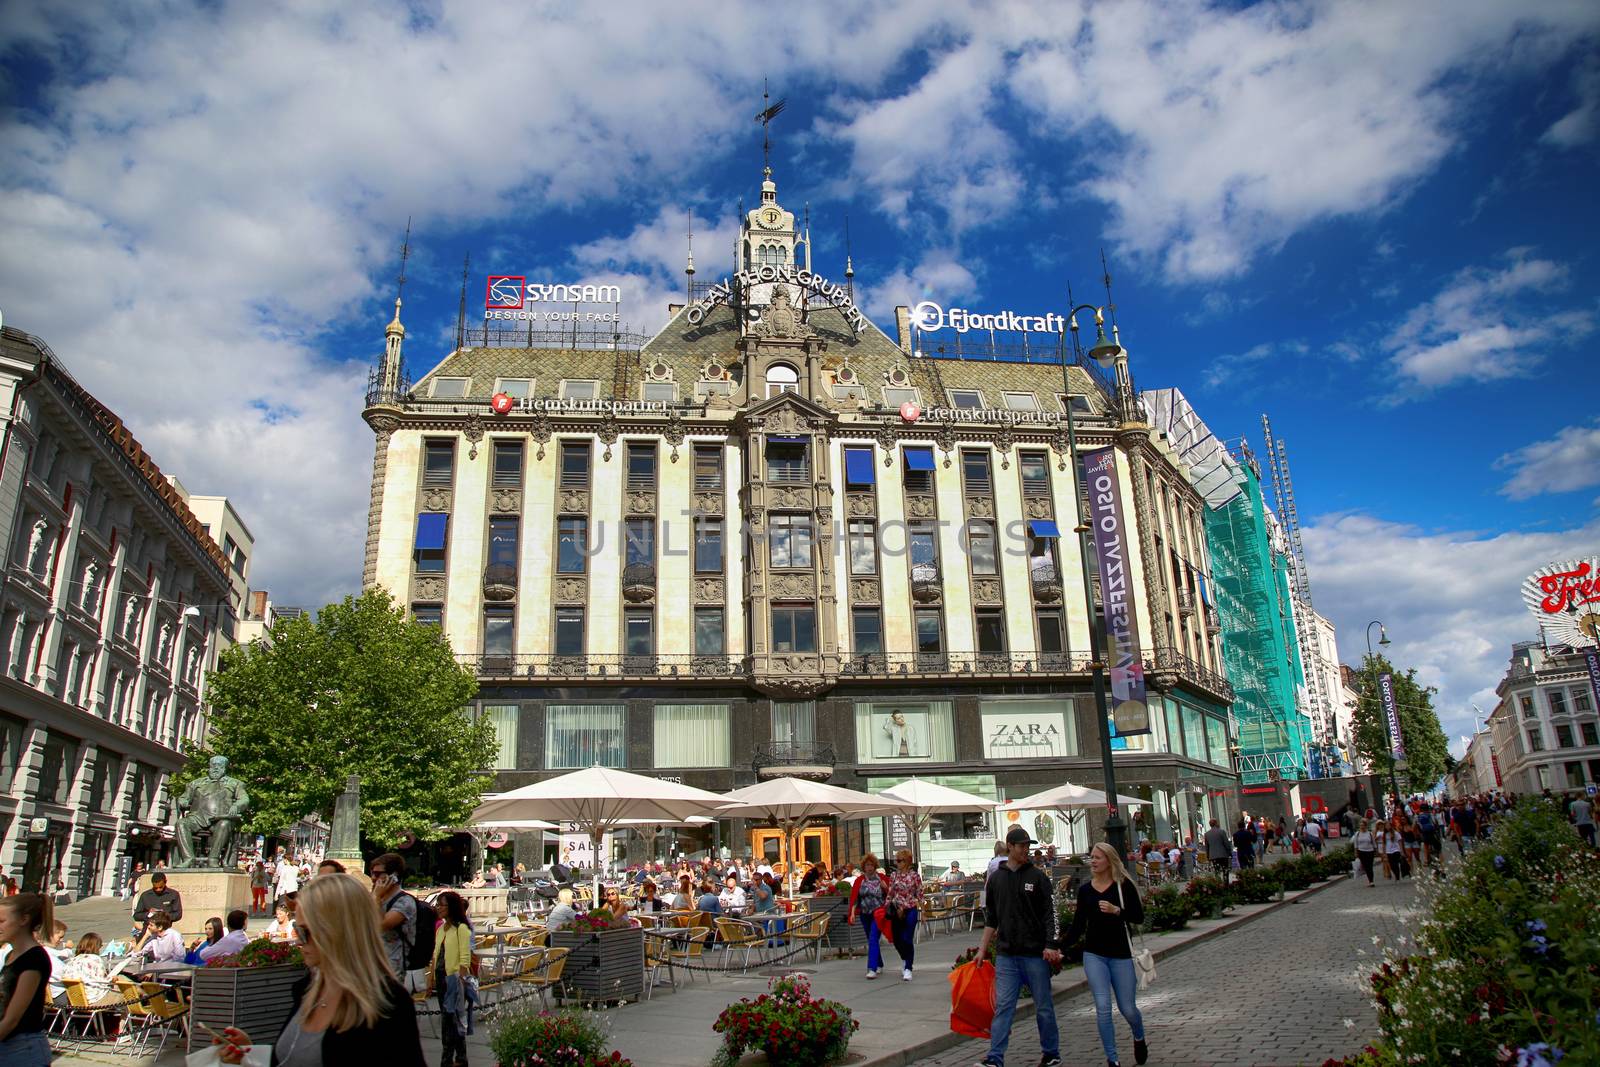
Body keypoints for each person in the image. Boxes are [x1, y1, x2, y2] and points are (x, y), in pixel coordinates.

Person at [214, 874, 426, 1066]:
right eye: (297, 930)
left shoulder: (387, 1002)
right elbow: (293, 1058)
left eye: (305, 932)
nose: (299, 941)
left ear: (337, 931)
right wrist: (251, 1053)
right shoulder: (307, 988)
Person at [975, 826, 1062, 1067]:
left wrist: (1051, 944)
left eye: (1028, 846)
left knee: (1043, 1006)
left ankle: (1051, 1053)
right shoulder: (996, 879)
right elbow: (992, 917)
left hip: (1034, 953)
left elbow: (1050, 914)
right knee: (1004, 1006)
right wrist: (983, 949)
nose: (1026, 850)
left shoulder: (1038, 877)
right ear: (1010, 847)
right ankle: (995, 1057)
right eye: (1022, 846)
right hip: (1006, 954)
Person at [1060, 842, 1148, 1067]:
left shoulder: (1123, 885)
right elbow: (1078, 926)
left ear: (1109, 860)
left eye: (1098, 857)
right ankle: (1113, 1059)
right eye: (1092, 857)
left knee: (1128, 1008)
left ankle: (1138, 1035)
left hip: (1120, 954)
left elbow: (1138, 917)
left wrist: (1116, 910)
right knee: (1102, 1007)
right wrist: (1059, 947)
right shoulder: (1086, 890)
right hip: (1094, 954)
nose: (1093, 861)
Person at [0, 894, 54, 1065]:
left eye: (2, 921)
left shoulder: (34, 959)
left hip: (23, 1049)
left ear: (23, 920)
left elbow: (13, 1018)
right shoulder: (11, 954)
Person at [427, 891, 474, 1067]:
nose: (438, 908)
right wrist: (430, 979)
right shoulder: (441, 929)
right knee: (448, 1020)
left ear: (451, 907)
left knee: (453, 1020)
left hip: (454, 979)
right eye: (437, 904)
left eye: (442, 905)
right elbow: (436, 954)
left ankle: (451, 1058)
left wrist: (461, 979)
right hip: (441, 978)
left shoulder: (461, 928)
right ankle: (458, 1057)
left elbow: (464, 957)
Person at [369, 853, 420, 990]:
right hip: (371, 965)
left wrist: (376, 897)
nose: (374, 878)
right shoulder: (376, 899)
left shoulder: (405, 902)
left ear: (394, 876)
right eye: (372, 873)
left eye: (379, 874)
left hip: (392, 968)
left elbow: (380, 926)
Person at [845, 854, 891, 980]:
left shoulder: (881, 878)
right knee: (872, 939)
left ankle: (872, 968)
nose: (869, 868)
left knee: (872, 938)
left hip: (878, 913)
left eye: (871, 865)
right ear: (863, 867)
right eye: (867, 865)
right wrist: (853, 913)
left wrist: (885, 888)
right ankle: (879, 963)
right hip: (865, 914)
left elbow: (891, 894)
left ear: (875, 866)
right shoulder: (860, 880)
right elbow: (855, 898)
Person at [886, 848, 922, 982]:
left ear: (907, 862)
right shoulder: (894, 876)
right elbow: (890, 893)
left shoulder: (914, 876)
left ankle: (908, 967)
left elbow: (919, 894)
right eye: (897, 860)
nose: (897, 863)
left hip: (910, 908)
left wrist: (923, 912)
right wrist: (887, 906)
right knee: (896, 939)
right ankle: (904, 957)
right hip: (896, 909)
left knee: (907, 938)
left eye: (900, 861)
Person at [59, 932, 110, 1002]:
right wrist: (111, 978)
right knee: (121, 990)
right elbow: (102, 981)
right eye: (100, 946)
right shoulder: (95, 959)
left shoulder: (72, 960)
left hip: (76, 999)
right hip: (94, 999)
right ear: (96, 946)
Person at [131, 871, 183, 938]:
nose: (158, 890)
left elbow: (178, 914)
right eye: (155, 888)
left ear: (165, 882)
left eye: (160, 887)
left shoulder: (173, 894)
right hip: (148, 932)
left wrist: (163, 915)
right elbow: (136, 916)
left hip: (165, 932)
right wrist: (148, 914)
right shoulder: (145, 895)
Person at [1352, 820, 1378, 888]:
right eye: (1360, 825)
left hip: (1370, 851)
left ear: (1366, 826)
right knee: (1366, 867)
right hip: (1361, 851)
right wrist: (1356, 852)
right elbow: (1355, 844)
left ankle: (1371, 881)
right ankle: (1370, 880)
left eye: (1363, 825)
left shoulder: (1369, 833)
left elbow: (1373, 842)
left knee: (1370, 866)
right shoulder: (1357, 834)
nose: (1362, 827)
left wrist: (1375, 850)